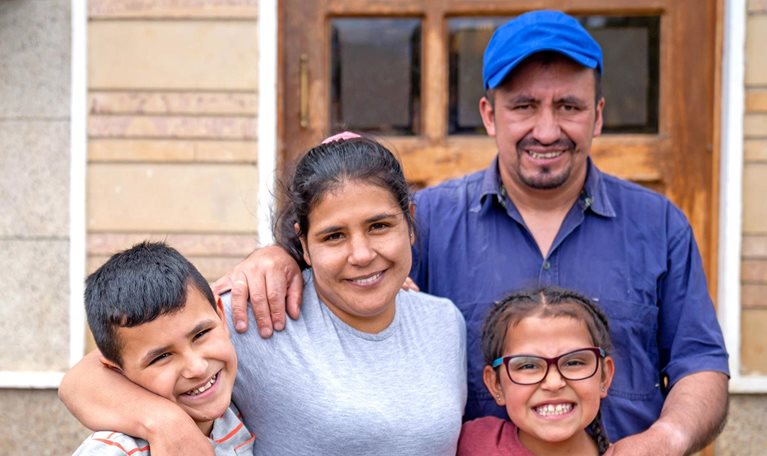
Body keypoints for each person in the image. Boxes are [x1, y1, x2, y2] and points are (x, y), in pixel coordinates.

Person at [215, 10, 729, 455]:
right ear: (488, 115)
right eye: (523, 106)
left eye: (568, 107)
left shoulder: (659, 225)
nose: (546, 130)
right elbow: (351, 275)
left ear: (597, 116)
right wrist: (282, 257)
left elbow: (700, 363)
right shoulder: (428, 219)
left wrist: (668, 438)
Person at [60, 135, 467, 455]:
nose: (362, 254)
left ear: (409, 223)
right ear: (303, 245)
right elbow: (86, 378)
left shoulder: (444, 322)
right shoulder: (255, 313)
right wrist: (163, 423)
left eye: (379, 226)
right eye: (333, 236)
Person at [70, 241, 254, 455]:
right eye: (162, 356)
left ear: (221, 316)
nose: (197, 368)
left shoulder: (236, 415)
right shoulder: (115, 451)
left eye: (201, 334)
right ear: (117, 369)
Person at [457, 287, 615, 455]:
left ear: (605, 376)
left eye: (574, 362)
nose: (553, 383)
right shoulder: (473, 445)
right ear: (496, 385)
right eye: (528, 366)